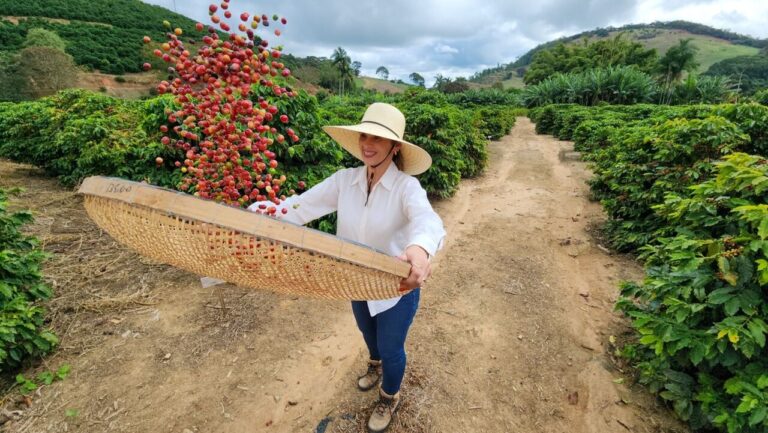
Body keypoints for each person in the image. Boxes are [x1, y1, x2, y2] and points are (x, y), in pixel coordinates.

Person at [248, 102, 445, 432]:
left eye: (378, 140)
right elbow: (299, 207)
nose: (367, 144)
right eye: (364, 136)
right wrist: (264, 215)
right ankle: (374, 364)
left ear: (395, 147)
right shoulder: (345, 181)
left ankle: (389, 396)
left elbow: (427, 219)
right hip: (354, 280)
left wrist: (420, 248)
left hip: (396, 288)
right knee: (369, 335)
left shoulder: (406, 188)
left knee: (392, 347)